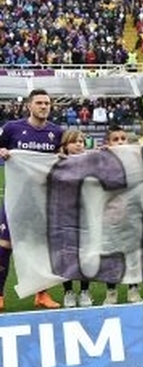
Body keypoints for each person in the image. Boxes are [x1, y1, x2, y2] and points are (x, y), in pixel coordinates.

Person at [0, 88, 63, 310]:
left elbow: (64, 159)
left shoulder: (56, 132)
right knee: (4, 245)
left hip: (42, 200)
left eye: (47, 103)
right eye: (39, 103)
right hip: (15, 198)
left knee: (40, 247)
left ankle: (42, 294)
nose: (44, 106)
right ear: (29, 106)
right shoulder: (12, 128)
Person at [102, 125, 143, 305]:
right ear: (108, 143)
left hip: (133, 214)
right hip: (110, 217)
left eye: (122, 139)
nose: (120, 142)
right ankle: (111, 292)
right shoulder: (100, 161)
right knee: (111, 254)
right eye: (115, 139)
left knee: (133, 254)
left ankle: (134, 291)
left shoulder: (136, 159)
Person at [58, 130, 94, 308]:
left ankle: (85, 291)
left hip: (86, 215)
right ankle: (68, 292)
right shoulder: (56, 163)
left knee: (85, 255)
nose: (79, 144)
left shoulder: (90, 161)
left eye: (81, 141)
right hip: (64, 216)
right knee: (67, 255)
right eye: (74, 142)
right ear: (65, 145)